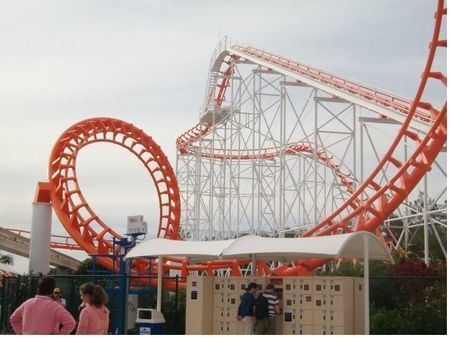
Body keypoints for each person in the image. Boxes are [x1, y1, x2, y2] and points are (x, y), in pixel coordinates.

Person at [10, 276, 76, 334]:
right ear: (52, 290)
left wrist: (20, 333)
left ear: (38, 288)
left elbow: (13, 318)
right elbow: (71, 322)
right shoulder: (55, 306)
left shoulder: (27, 303)